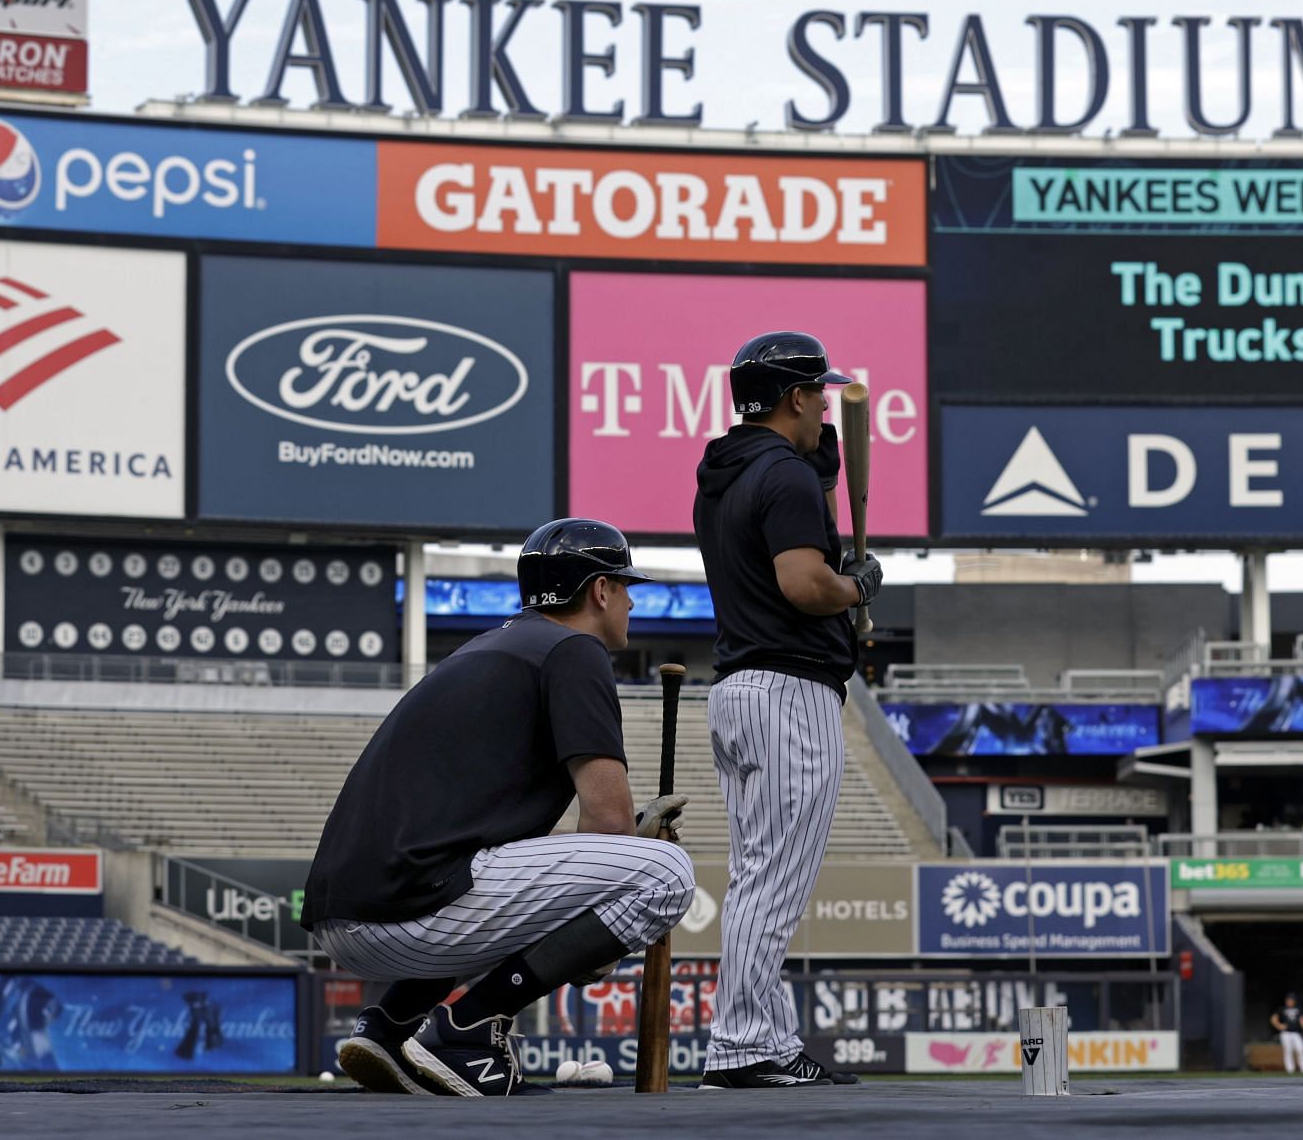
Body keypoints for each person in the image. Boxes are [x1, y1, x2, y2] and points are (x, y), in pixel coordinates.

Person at [301, 518, 696, 1097]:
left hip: (352, 914)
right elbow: (607, 824)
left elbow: (574, 847)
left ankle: (390, 1026)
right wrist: (605, 912)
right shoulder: (574, 650)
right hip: (412, 910)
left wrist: (610, 867)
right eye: (625, 585)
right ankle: (468, 1030)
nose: (631, 600)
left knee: (518, 868)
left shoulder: (491, 645)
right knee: (667, 876)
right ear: (600, 591)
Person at [692, 331, 883, 1089]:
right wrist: (856, 588)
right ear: (797, 397)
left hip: (738, 690)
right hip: (788, 692)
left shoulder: (726, 472)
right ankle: (742, 1045)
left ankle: (764, 1039)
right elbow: (807, 584)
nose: (827, 405)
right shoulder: (785, 477)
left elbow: (796, 492)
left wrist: (819, 470)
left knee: (756, 877)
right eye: (820, 395)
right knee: (773, 882)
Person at [1272, 992, 1303, 1073]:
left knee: (1301, 1049)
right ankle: (1290, 1070)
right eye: (1289, 1000)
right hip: (1286, 1033)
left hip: (1296, 1033)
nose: (1290, 1001)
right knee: (1288, 1051)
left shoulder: (1298, 1009)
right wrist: (1279, 1025)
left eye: (1291, 1000)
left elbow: (1302, 1020)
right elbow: (1273, 1018)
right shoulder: (1282, 1009)